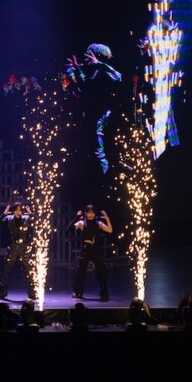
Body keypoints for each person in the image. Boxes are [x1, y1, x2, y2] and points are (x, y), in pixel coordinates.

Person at [64, 43, 122, 174]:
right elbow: (86, 88)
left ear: (97, 56)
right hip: (95, 115)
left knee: (99, 150)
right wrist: (76, 70)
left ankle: (106, 177)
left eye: (88, 56)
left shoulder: (102, 70)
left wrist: (98, 64)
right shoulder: (95, 71)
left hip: (103, 116)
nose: (85, 59)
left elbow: (118, 78)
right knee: (95, 149)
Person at [0, 202, 37, 300]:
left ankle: (32, 293)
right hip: (13, 246)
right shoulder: (9, 219)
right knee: (6, 270)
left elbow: (36, 221)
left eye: (20, 210)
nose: (18, 212)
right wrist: (4, 214)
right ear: (13, 211)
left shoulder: (26, 218)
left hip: (23, 247)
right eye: (16, 210)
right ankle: (1, 293)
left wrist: (30, 213)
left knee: (28, 269)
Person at [71, 205, 113, 301]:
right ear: (86, 213)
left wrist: (107, 218)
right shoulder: (82, 223)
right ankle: (77, 292)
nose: (91, 215)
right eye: (89, 213)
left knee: (101, 271)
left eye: (92, 212)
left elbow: (110, 230)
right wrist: (76, 217)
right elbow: (68, 229)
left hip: (96, 249)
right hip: (86, 248)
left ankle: (104, 293)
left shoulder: (98, 223)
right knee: (81, 271)